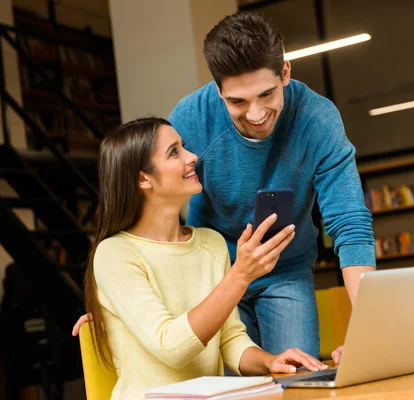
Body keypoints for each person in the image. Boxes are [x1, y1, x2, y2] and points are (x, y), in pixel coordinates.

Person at [166, 11, 376, 359]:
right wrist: (118, 297)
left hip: (286, 272)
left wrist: (371, 324)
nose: (255, 113)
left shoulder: (317, 120)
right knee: (234, 388)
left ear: (286, 73)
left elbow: (350, 222)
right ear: (218, 90)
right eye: (237, 101)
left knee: (296, 380)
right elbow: (154, 205)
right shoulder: (190, 118)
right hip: (214, 274)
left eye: (266, 94)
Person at [83, 117, 328, 400]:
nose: (193, 157)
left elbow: (230, 340)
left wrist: (269, 361)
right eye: (174, 152)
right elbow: (172, 347)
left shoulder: (210, 244)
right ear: (143, 178)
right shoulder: (115, 254)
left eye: (183, 147)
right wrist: (241, 275)